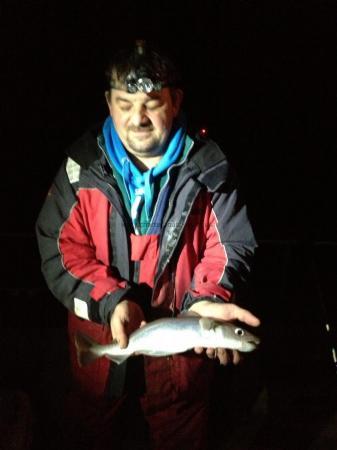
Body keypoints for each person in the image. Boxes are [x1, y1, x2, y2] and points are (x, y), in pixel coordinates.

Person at [36, 40, 260, 450]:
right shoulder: (80, 169)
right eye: (124, 102)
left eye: (151, 102)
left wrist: (207, 298)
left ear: (175, 101)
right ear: (108, 102)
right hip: (105, 336)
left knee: (182, 433)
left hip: (182, 357)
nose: (137, 117)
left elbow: (231, 244)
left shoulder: (210, 170)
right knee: (91, 432)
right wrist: (110, 300)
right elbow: (58, 245)